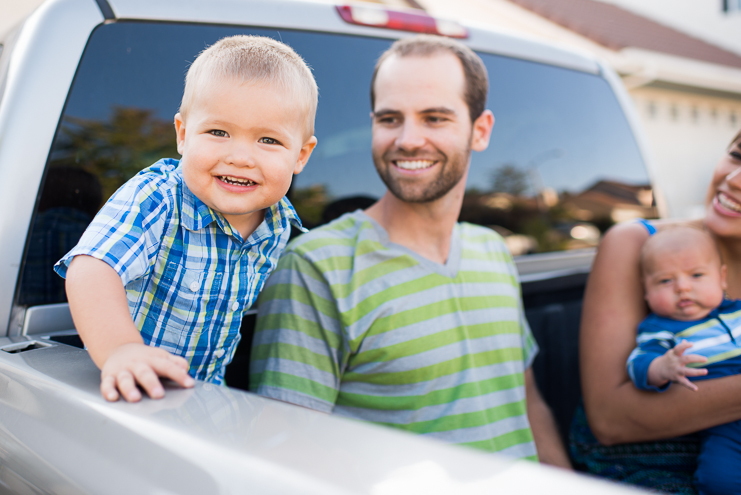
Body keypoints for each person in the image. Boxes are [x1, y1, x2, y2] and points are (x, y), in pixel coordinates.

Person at [249, 35, 571, 467]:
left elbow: (527, 405)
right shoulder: (317, 268)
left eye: (434, 118)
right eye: (390, 119)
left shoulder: (492, 251)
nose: (408, 139)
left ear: (481, 130)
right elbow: (290, 455)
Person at [54, 35, 318, 403]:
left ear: (301, 155)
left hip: (204, 395)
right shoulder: (157, 197)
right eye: (218, 132)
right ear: (182, 134)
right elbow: (92, 269)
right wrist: (120, 350)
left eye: (268, 140)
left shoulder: (275, 225)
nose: (240, 157)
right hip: (127, 391)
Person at [573, 129, 741, 494]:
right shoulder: (637, 243)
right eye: (737, 155)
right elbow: (610, 419)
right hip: (645, 462)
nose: (734, 179)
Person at [626, 226, 741, 494]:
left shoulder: (737, 311)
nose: (683, 287)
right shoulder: (660, 330)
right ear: (646, 291)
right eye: (665, 281)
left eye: (697, 275)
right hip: (724, 422)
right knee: (719, 479)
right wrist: (664, 367)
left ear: (722, 278)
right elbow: (638, 364)